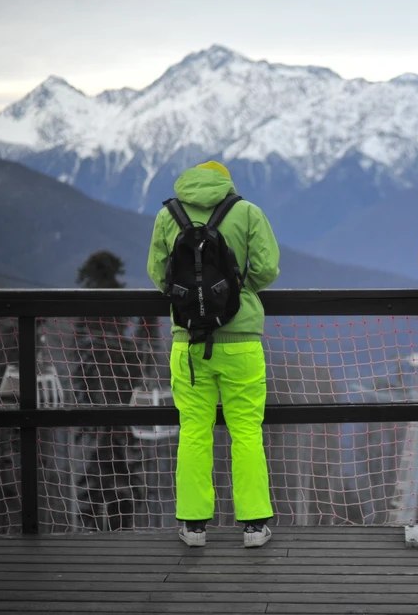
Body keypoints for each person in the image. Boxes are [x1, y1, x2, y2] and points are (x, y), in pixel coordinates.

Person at [146, 160, 280, 548]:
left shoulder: (167, 215)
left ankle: (193, 525)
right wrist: (236, 291)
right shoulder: (248, 212)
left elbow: (158, 274)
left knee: (194, 431)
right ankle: (254, 526)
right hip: (241, 342)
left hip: (188, 343)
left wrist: (192, 300)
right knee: (246, 433)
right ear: (225, 182)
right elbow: (268, 268)